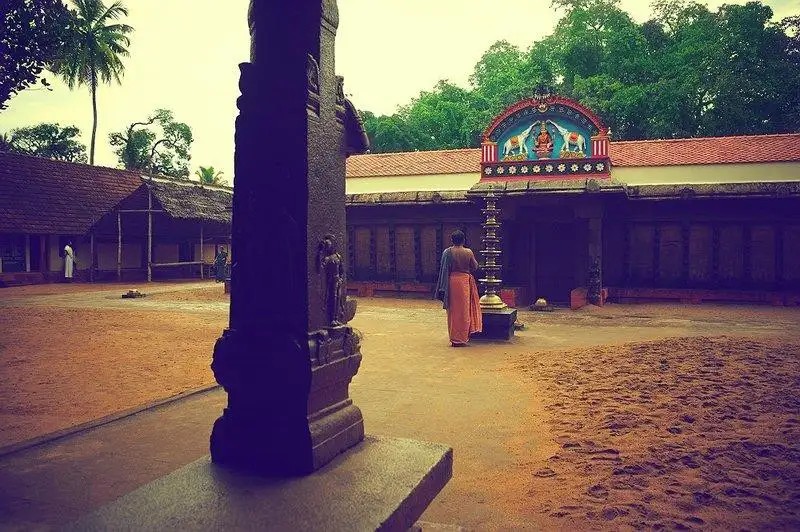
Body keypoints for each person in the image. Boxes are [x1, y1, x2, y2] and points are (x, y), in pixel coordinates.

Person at [435, 230, 482, 346]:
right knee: (464, 311)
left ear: (452, 240)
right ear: (463, 240)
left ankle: (454, 338)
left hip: (452, 281)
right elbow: (475, 266)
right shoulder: (468, 252)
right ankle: (462, 338)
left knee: (452, 311)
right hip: (464, 282)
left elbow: (444, 269)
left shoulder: (447, 252)